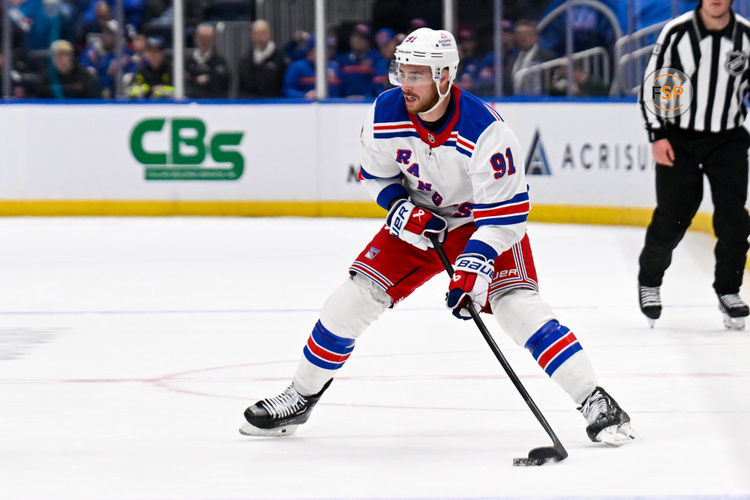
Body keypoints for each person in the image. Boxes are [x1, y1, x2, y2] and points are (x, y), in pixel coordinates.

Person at [240, 28, 636, 447]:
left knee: (518, 309)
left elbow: (507, 214)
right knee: (348, 303)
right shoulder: (385, 112)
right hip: (419, 223)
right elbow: (376, 176)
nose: (405, 84)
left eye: (417, 75)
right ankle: (301, 397)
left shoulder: (486, 130)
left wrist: (475, 265)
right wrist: (399, 208)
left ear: (444, 77)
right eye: (402, 72)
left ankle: (595, 400)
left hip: (481, 226)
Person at [637, 0, 750, 330]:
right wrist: (657, 135)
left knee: (734, 218)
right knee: (673, 215)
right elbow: (653, 84)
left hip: (728, 138)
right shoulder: (677, 32)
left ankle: (729, 290)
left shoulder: (746, 36)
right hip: (678, 138)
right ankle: (650, 282)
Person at [238, 19, 288, 98]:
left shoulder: (281, 58)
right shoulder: (246, 59)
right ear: (252, 36)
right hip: (252, 104)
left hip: (275, 104)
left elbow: (285, 85)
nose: (259, 37)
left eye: (263, 33)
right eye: (256, 33)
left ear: (269, 34)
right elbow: (242, 88)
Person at [504, 19, 555, 96]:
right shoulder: (511, 59)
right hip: (515, 103)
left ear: (536, 36)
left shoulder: (548, 57)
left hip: (542, 103)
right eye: (520, 33)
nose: (523, 37)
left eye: (527, 33)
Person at [336, 23, 382, 99]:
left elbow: (377, 86)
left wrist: (366, 97)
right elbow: (339, 85)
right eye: (354, 36)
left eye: (361, 37)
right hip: (344, 103)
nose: (356, 40)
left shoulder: (376, 59)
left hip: (367, 103)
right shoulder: (342, 60)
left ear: (368, 42)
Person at [185, 23, 230, 99]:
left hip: (213, 104)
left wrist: (209, 79)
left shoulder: (220, 62)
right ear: (195, 38)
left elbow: (223, 85)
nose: (205, 41)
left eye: (208, 38)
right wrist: (195, 80)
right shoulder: (186, 61)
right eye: (202, 37)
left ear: (214, 40)